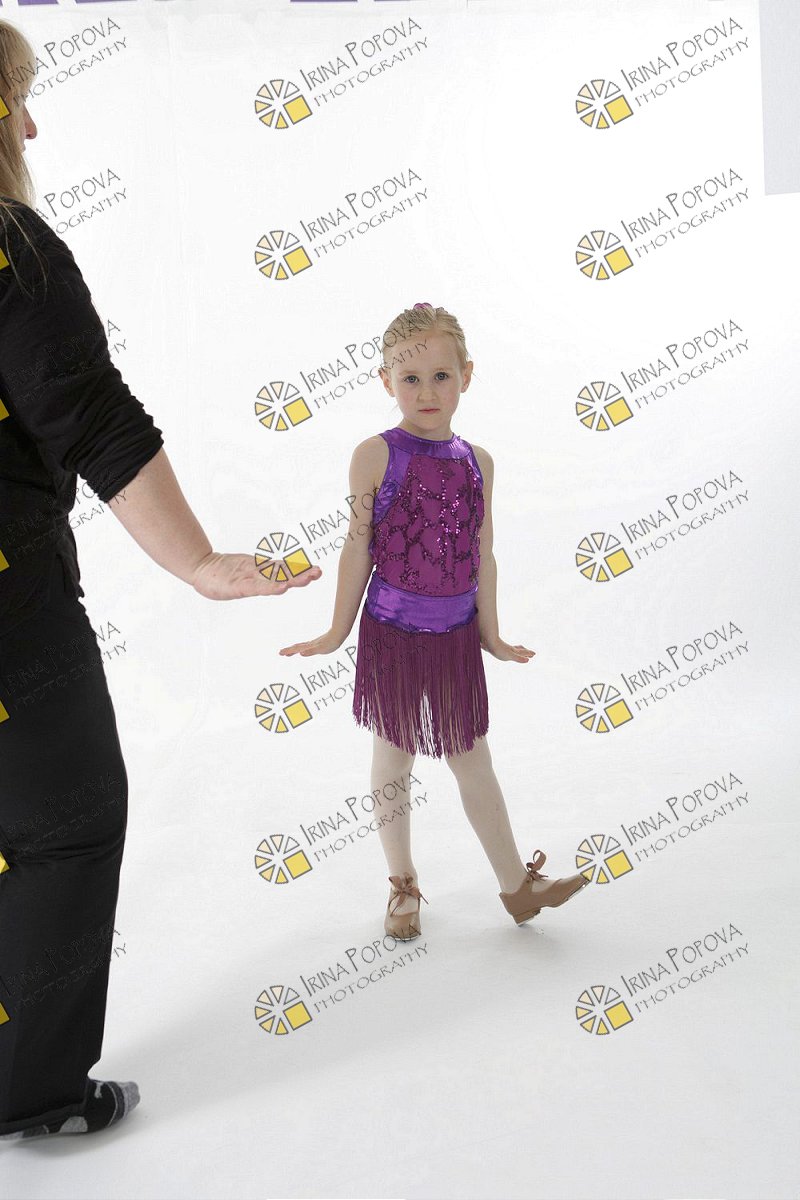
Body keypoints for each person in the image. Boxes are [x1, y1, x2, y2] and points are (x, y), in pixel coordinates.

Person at [0, 21, 321, 1141]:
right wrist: (196, 562)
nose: (31, 124)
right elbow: (90, 415)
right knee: (67, 825)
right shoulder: (11, 249)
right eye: (15, 98)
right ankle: (33, 1093)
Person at [279, 301, 590, 941]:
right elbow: (358, 547)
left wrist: (492, 635)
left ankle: (517, 887)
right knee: (394, 759)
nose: (426, 392)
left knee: (472, 758)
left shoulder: (479, 461)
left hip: (454, 636)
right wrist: (336, 633)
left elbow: (482, 551)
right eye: (410, 378)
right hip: (392, 633)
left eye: (441, 376)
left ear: (467, 376)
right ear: (386, 381)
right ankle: (402, 884)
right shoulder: (375, 454)